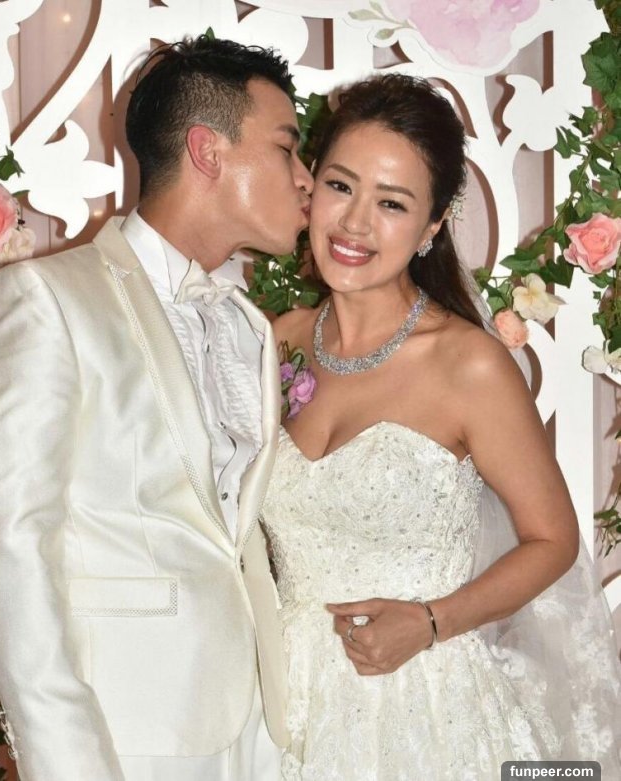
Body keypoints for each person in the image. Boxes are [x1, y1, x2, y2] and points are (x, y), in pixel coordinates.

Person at [0, 35, 312, 781]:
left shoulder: (250, 327)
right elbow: (14, 550)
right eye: (287, 149)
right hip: (122, 737)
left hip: (258, 734)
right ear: (208, 151)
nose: (306, 179)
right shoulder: (45, 300)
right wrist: (69, 764)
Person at [261, 73, 621, 780]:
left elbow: (552, 541)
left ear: (430, 227)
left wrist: (431, 622)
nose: (355, 223)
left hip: (423, 710)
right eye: (341, 186)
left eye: (391, 203)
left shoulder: (469, 364)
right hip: (282, 704)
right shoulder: (277, 341)